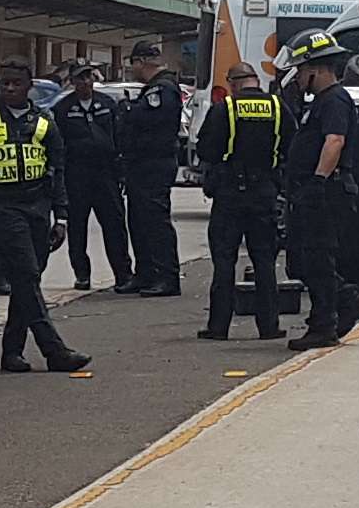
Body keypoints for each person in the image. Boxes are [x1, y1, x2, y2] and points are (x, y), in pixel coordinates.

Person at [0, 61, 89, 373]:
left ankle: (11, 353)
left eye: (16, 83)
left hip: (38, 207)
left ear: (29, 86)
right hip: (3, 207)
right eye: (4, 83)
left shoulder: (44, 120)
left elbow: (58, 171)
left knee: (26, 280)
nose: (9, 89)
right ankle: (54, 351)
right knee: (27, 275)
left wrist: (61, 218)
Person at [279, 31, 359, 349]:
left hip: (325, 193)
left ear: (315, 69)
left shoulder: (335, 101)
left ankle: (324, 324)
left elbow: (335, 141)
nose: (297, 78)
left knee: (317, 259)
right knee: (303, 260)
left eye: (300, 71)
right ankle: (345, 302)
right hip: (311, 191)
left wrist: (318, 181)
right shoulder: (321, 102)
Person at [192, 61, 287, 342]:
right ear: (255, 80)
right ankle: (269, 326)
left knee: (224, 262)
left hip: (231, 195)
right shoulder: (278, 107)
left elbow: (206, 149)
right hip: (265, 194)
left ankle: (218, 327)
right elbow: (291, 144)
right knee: (264, 262)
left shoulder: (225, 109)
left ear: (233, 83)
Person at [50, 62, 134, 291]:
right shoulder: (63, 109)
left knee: (114, 225)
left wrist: (122, 172)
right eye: (80, 78)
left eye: (88, 78)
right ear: (73, 82)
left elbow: (119, 137)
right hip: (77, 175)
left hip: (105, 174)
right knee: (77, 227)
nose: (85, 82)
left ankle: (123, 274)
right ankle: (82, 274)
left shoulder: (107, 104)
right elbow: (58, 146)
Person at [115, 38, 187, 297]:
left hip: (153, 165)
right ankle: (145, 274)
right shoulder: (155, 89)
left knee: (155, 222)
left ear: (141, 62)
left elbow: (148, 122)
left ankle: (167, 277)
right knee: (139, 221)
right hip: (141, 166)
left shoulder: (162, 90)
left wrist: (129, 111)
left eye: (133, 64)